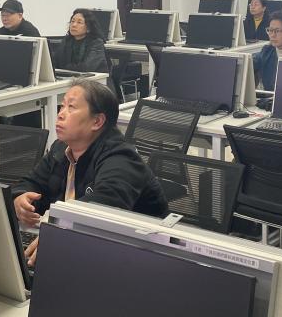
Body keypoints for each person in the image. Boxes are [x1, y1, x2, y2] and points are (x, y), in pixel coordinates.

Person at [12, 79, 168, 265]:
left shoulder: (121, 158)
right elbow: (30, 182)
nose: (60, 114)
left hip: (138, 258)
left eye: (71, 107)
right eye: (62, 106)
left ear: (97, 121)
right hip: (79, 244)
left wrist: (57, 230)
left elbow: (102, 209)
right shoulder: (60, 148)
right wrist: (20, 198)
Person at [53, 9, 109, 73]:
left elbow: (86, 67)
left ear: (88, 28)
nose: (74, 25)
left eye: (79, 22)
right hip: (71, 76)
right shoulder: (67, 41)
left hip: (96, 78)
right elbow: (55, 62)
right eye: (72, 21)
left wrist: (65, 68)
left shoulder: (96, 43)